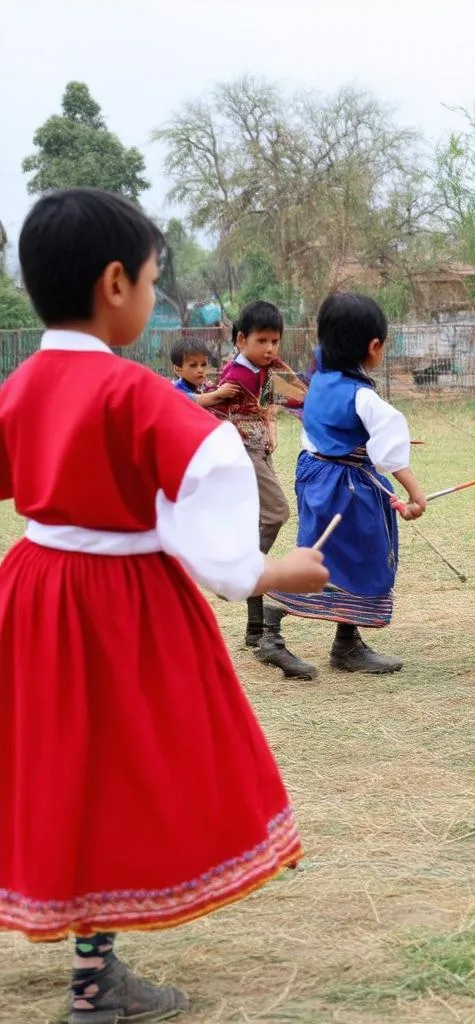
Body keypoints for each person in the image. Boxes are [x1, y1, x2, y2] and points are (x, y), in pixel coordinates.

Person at [0, 186, 329, 1021]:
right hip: (121, 610)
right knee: (113, 774)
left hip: (33, 594)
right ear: (117, 285)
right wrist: (280, 573)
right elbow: (218, 547)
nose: (150, 296)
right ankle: (94, 983)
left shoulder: (18, 387)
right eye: (150, 280)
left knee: (45, 761)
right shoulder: (143, 398)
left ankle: (86, 960)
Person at [266, 292, 426, 674]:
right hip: (347, 487)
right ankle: (269, 630)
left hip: (313, 475)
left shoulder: (319, 377)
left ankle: (346, 644)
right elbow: (390, 456)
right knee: (342, 557)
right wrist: (415, 494)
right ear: (374, 346)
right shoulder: (364, 399)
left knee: (339, 555)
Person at [214, 302, 316, 679]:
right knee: (277, 514)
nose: (271, 348)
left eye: (275, 341)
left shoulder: (261, 368)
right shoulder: (238, 374)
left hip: (257, 450)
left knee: (254, 534)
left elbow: (299, 398)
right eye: (262, 341)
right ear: (241, 340)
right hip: (241, 452)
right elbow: (298, 396)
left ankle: (255, 632)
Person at [169, 335, 240, 408]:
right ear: (177, 369)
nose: (200, 370)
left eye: (203, 365)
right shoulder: (175, 389)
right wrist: (218, 393)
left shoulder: (203, 385)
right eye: (193, 365)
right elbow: (193, 400)